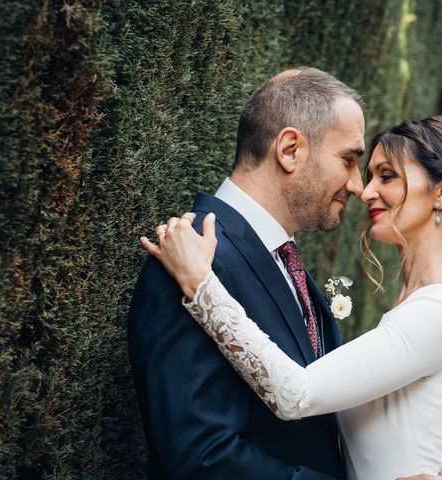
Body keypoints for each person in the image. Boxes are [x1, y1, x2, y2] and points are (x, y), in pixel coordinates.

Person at [141, 115, 442, 479]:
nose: (366, 191)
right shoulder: (421, 303)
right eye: (368, 174)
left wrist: (201, 286)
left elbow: (295, 394)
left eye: (387, 176)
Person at [128, 67, 366, 479]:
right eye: (348, 160)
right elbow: (199, 457)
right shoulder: (196, 261)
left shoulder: (280, 260)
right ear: (290, 149)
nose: (358, 185)